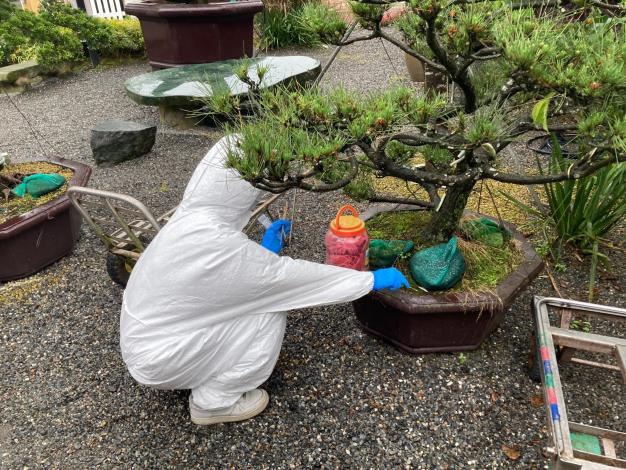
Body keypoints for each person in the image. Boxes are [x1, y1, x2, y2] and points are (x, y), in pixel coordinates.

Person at [120, 136, 409, 425]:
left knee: (259, 299)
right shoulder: (217, 247)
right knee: (268, 313)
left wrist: (264, 251)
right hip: (160, 357)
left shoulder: (191, 220)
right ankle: (214, 402)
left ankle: (203, 369)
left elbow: (221, 280)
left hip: (152, 337)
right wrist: (369, 280)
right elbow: (288, 280)